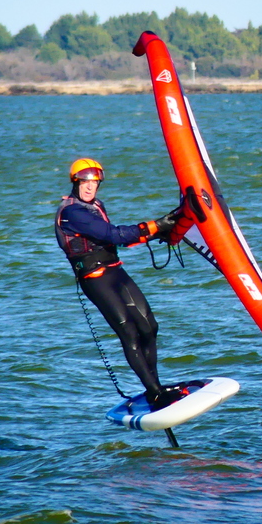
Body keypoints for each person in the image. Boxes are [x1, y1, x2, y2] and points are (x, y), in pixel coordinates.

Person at [55, 158, 185, 409]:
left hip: (115, 271)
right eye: (85, 182)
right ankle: (155, 392)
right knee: (129, 331)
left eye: (95, 182)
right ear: (75, 182)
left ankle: (155, 388)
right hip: (95, 278)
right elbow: (111, 234)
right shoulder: (72, 213)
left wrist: (157, 233)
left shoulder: (96, 206)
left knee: (149, 326)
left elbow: (117, 239)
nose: (90, 187)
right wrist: (155, 225)